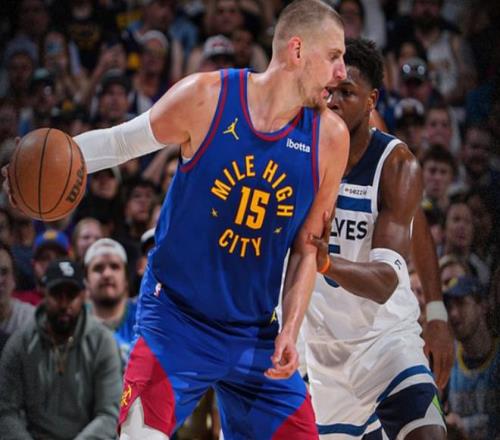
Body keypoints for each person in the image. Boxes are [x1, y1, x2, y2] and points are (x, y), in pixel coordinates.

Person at [2, 1, 349, 438]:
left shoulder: (330, 138)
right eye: (334, 56)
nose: (342, 73)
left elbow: (307, 249)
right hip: (176, 322)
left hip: (255, 334)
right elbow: (119, 143)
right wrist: (32, 165)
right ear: (297, 50)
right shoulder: (208, 97)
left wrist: (291, 331)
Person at [303, 39, 451, 439]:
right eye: (328, 91)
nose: (333, 102)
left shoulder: (394, 163)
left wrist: (436, 312)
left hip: (386, 339)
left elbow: (391, 272)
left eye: (346, 93)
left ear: (371, 101)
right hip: (320, 349)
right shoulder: (299, 149)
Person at [0, 258, 122, 440]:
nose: (64, 304)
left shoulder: (103, 342)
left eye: (71, 295)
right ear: (44, 293)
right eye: (57, 294)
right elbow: (6, 411)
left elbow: (109, 414)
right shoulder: (20, 343)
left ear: (83, 296)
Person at [443, 275, 500, 440]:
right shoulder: (447, 358)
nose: (453, 314)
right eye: (449, 307)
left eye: (461, 303)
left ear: (482, 306)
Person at [84, 238, 137, 365]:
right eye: (98, 268)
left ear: (126, 279)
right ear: (86, 281)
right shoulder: (76, 321)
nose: (107, 274)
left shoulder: (145, 319)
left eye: (114, 267)